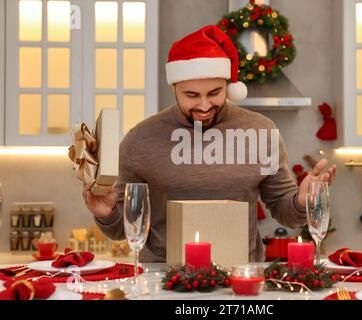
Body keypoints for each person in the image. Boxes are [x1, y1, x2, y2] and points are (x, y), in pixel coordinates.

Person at [83, 25, 336, 263]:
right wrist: (106, 213)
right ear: (174, 87)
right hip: (163, 280)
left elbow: (284, 210)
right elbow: (122, 230)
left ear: (228, 86)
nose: (204, 106)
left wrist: (302, 202)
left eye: (214, 93)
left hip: (241, 277)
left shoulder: (261, 131)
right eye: (192, 95)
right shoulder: (139, 139)